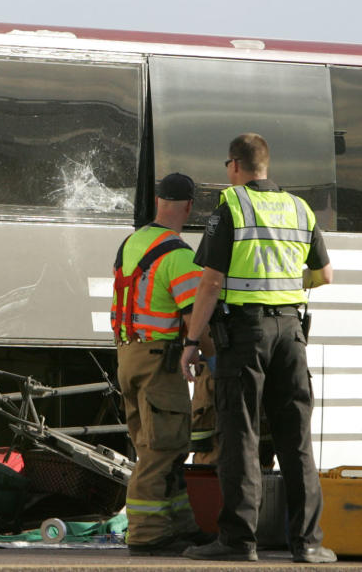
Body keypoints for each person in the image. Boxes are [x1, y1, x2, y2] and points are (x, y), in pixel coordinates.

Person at [179, 133, 337, 563]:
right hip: (291, 333)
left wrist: (192, 341)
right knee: (296, 439)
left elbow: (210, 283)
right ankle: (307, 544)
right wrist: (284, 288)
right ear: (265, 165)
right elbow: (324, 275)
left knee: (241, 435)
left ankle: (238, 541)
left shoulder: (231, 205)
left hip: (245, 334)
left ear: (235, 165)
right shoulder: (299, 208)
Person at [111, 172, 212, 555]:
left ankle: (181, 525)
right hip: (159, 361)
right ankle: (147, 533)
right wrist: (215, 358)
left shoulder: (131, 242)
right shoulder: (179, 255)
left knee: (155, 445)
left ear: (157, 201)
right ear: (189, 206)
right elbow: (194, 320)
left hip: (128, 357)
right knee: (162, 449)